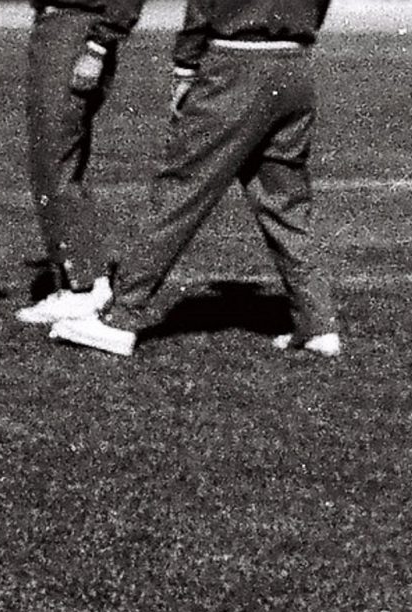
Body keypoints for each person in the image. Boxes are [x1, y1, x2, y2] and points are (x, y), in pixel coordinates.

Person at [47, 0, 339, 358]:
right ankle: (317, 322)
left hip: (236, 66)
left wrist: (185, 66)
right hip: (295, 66)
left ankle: (119, 318)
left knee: (180, 192)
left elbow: (202, 7)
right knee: (286, 201)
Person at [12, 0, 147, 325]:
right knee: (55, 160)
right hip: (60, 29)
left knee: (54, 159)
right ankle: (85, 278)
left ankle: (82, 287)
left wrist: (99, 44)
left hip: (74, 31)